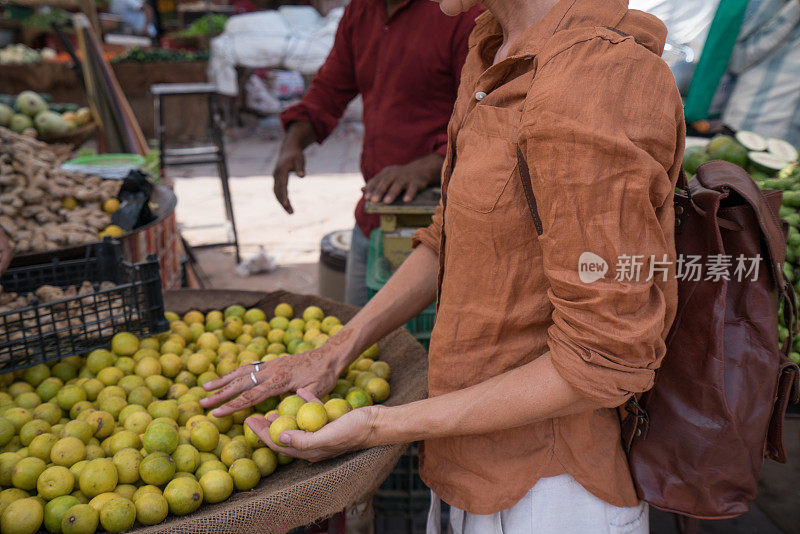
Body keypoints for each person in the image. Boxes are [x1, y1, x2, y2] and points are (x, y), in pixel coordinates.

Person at [203, 0, 685, 531]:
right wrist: (331, 353)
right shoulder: (491, 45)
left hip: (547, 489)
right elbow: (445, 242)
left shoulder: (593, 78)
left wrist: (377, 427)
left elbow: (605, 358)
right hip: (465, 463)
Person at [273, 0, 482, 307]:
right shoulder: (361, 10)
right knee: (360, 333)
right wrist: (293, 141)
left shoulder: (460, 12)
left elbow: (485, 115)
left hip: (444, 217)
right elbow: (330, 89)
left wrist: (429, 164)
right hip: (376, 216)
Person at [721, 0, 800, 145]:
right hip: (750, 125)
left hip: (790, 138)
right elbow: (736, 60)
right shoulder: (776, 5)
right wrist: (793, 10)